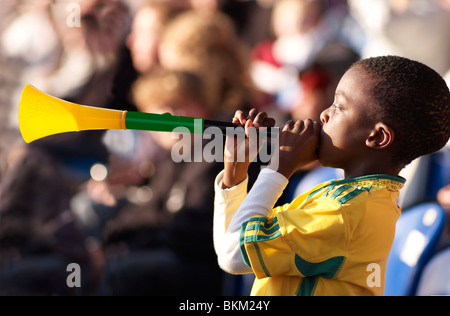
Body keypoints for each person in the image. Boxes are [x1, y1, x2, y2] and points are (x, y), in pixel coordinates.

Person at [213, 55, 450, 296]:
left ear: (378, 137)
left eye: (338, 106)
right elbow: (231, 244)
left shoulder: (341, 213)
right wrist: (235, 173)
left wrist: (279, 168)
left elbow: (233, 254)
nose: (324, 114)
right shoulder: (353, 200)